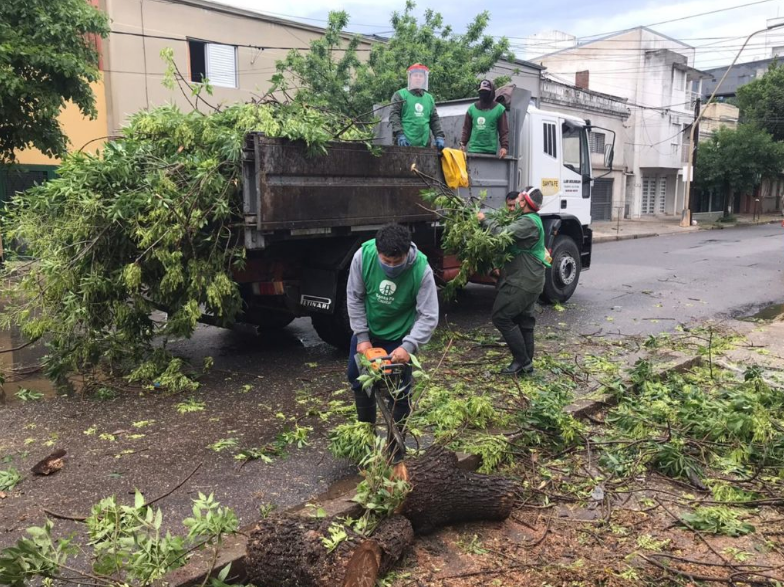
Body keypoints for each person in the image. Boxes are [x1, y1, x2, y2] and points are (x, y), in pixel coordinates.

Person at [346, 223, 439, 460]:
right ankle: (365, 439)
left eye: (397, 263)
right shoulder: (363, 257)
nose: (390, 267)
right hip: (369, 331)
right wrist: (363, 338)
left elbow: (428, 315)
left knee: (400, 391)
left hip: (400, 336)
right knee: (358, 380)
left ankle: (395, 448)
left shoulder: (421, 269)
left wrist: (408, 346)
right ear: (378, 252)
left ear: (407, 253)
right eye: (386, 261)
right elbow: (355, 297)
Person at [477, 188, 550, 375]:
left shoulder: (528, 222)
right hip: (530, 279)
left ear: (525, 203)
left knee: (501, 317)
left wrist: (484, 220)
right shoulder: (530, 220)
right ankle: (526, 365)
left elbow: (502, 234)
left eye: (519, 199)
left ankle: (522, 361)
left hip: (523, 281)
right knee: (524, 320)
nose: (516, 202)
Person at [389, 63, 446, 150]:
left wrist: (439, 136)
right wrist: (399, 134)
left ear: (424, 79)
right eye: (416, 75)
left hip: (425, 145)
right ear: (410, 77)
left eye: (421, 76)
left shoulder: (429, 98)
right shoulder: (400, 95)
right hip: (404, 144)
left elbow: (434, 119)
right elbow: (394, 115)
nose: (418, 78)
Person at [460, 79, 509, 159]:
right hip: (473, 150)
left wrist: (504, 147)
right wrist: (463, 144)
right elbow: (466, 129)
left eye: (486, 92)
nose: (484, 94)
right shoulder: (472, 109)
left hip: (490, 151)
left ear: (491, 92)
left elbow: (503, 131)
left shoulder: (499, 109)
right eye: (482, 92)